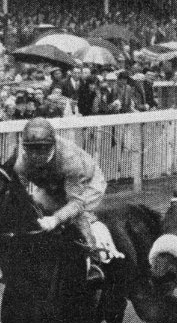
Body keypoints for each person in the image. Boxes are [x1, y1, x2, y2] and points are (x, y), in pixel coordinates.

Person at [13, 117, 112, 285]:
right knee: (33, 209)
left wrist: (55, 219)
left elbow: (76, 203)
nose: (35, 156)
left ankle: (93, 259)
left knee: (77, 216)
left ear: (52, 146)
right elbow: (17, 195)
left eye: (41, 149)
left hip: (88, 183)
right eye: (31, 149)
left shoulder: (69, 159)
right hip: (54, 185)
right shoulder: (22, 163)